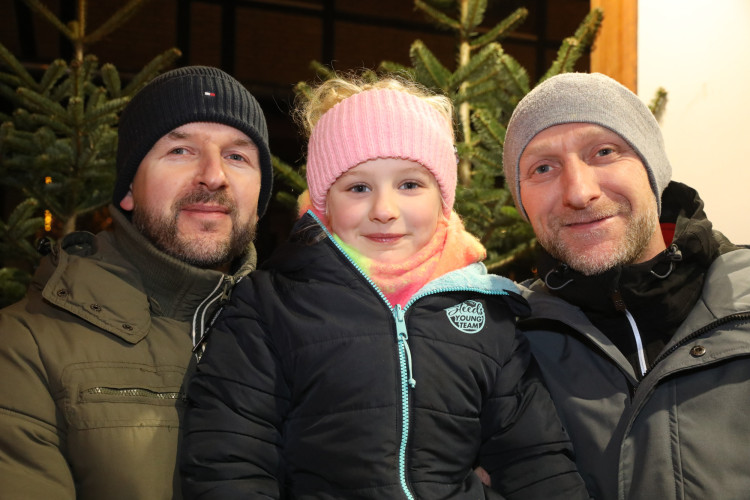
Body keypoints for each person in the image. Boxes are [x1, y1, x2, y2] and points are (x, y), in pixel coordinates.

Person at [180, 74, 589, 500]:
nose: (384, 210)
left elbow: (534, 460)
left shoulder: (487, 311)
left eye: (410, 184)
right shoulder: (270, 306)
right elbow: (230, 460)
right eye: (358, 187)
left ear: (442, 199)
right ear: (325, 202)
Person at [0, 65, 273, 500]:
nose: (214, 175)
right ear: (128, 188)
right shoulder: (24, 346)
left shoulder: (294, 342)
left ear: (260, 198)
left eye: (238, 156)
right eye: (181, 150)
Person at [502, 71, 750, 499]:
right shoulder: (506, 342)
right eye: (543, 167)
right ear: (522, 199)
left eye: (603, 151)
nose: (579, 192)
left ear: (653, 171)